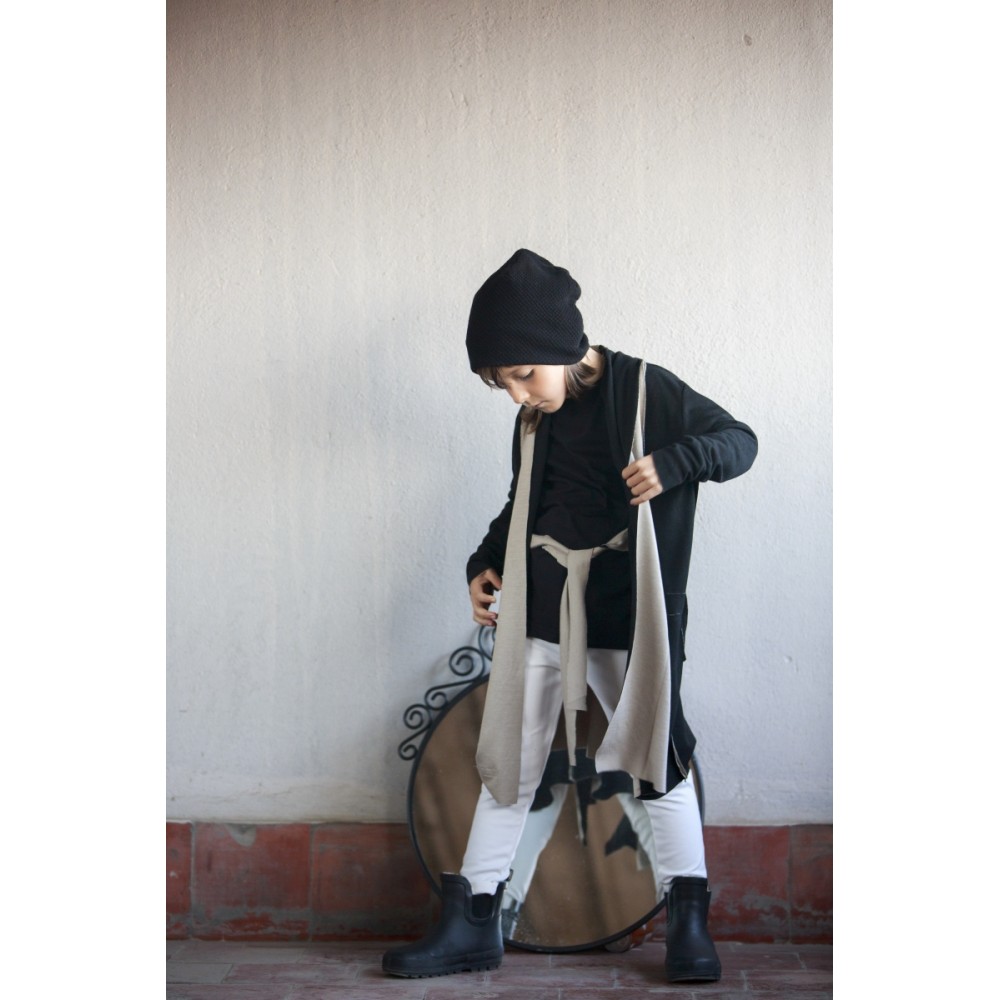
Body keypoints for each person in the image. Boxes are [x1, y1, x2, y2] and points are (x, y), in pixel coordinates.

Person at [382, 249, 757, 983]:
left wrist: (675, 463)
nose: (517, 394)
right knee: (509, 764)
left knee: (659, 757)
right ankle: (473, 921)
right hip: (541, 612)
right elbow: (525, 502)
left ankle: (688, 921)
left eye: (524, 373)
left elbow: (740, 442)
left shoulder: (644, 389)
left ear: (561, 346)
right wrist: (483, 562)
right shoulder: (533, 420)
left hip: (627, 617)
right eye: (502, 383)